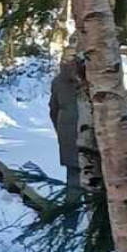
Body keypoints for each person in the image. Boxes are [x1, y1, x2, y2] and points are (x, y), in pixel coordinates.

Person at [49, 48, 82, 209]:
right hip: (90, 132)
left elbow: (53, 110)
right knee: (96, 175)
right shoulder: (88, 81)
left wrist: (61, 130)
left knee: (73, 175)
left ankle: (71, 214)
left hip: (66, 132)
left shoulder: (57, 81)